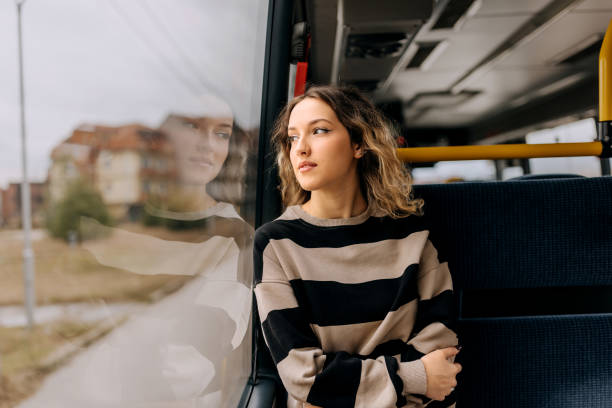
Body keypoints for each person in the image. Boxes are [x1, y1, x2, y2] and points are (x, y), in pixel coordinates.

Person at [253, 85, 461, 408]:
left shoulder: (415, 234)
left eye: (318, 131)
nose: (300, 149)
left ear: (359, 143)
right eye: (292, 138)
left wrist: (343, 392)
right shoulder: (275, 244)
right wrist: (415, 377)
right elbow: (306, 378)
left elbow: (440, 352)